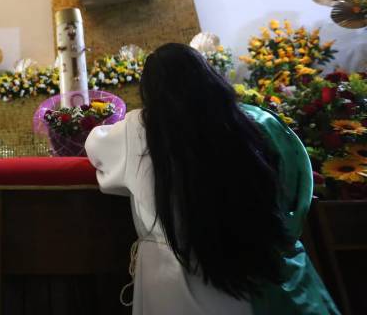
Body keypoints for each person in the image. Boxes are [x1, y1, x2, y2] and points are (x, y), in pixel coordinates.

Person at [85, 43, 340, 315]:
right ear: (208, 74)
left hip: (173, 282)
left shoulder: (136, 129)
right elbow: (296, 189)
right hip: (254, 272)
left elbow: (95, 148)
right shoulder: (256, 121)